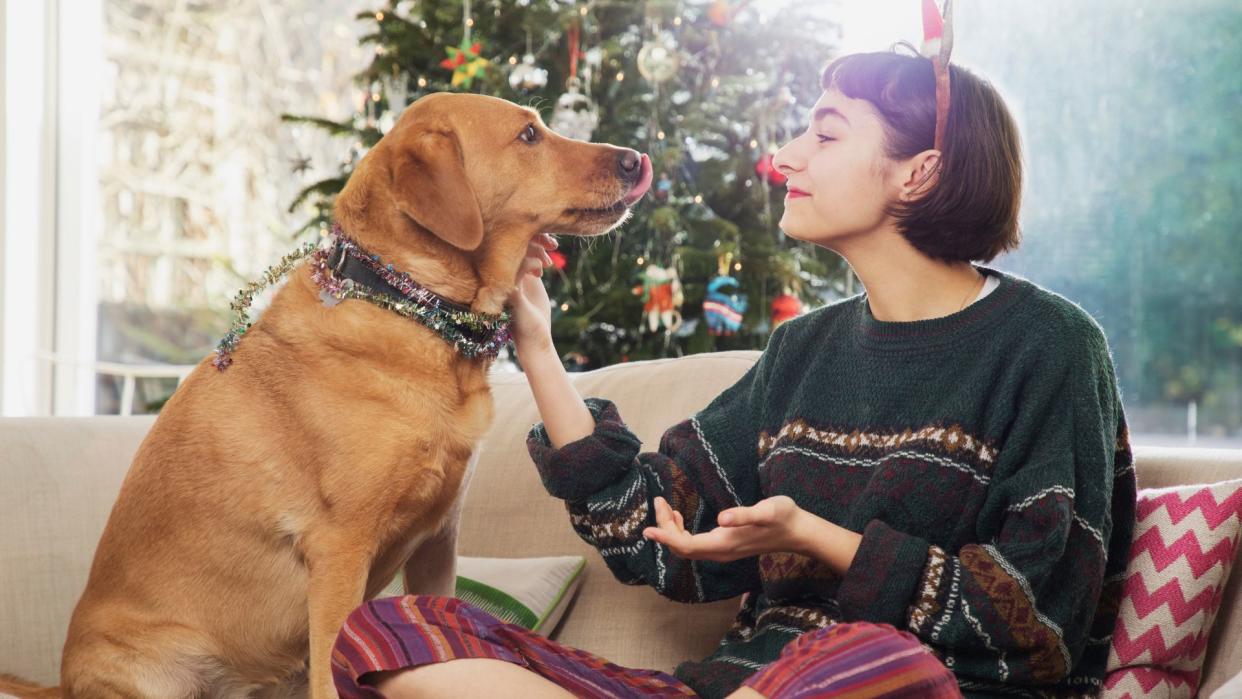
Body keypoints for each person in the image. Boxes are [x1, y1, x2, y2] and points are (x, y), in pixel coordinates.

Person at [331, 47, 1136, 699]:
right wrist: (536, 346)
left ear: (917, 172)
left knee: (871, 656)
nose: (784, 157)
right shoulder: (804, 351)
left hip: (904, 682)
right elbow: (651, 532)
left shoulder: (1050, 346)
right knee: (383, 632)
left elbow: (1039, 623)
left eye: (824, 135)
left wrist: (813, 537)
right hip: (740, 685)